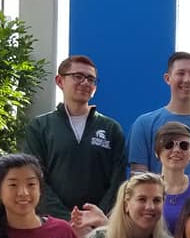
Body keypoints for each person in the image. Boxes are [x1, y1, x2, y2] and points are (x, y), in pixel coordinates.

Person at [21, 55, 128, 222]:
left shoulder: (111, 129)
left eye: (91, 79)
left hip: (99, 226)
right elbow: (34, 178)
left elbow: (118, 182)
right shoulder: (40, 127)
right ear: (60, 81)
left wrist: (96, 218)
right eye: (78, 76)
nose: (85, 83)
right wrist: (66, 220)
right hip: (51, 225)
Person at [128, 52, 190, 179]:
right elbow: (138, 176)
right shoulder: (144, 124)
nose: (187, 80)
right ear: (168, 78)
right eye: (181, 73)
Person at [0, 154, 79, 238]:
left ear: (40, 189)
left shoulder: (63, 231)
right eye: (13, 185)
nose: (23, 193)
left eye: (31, 184)